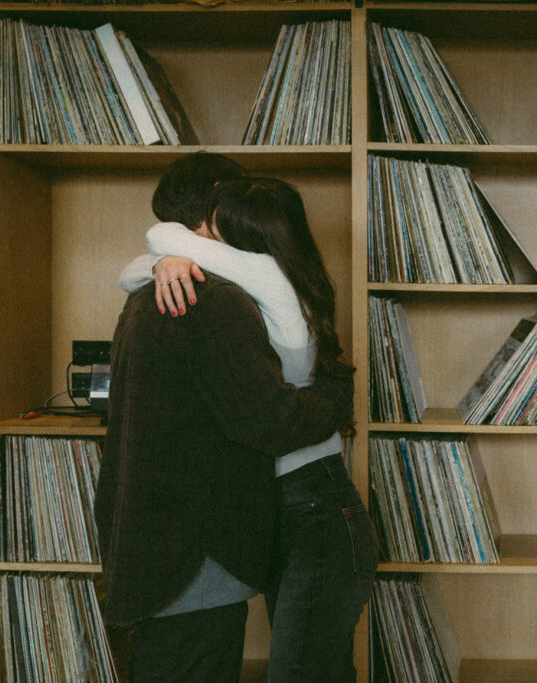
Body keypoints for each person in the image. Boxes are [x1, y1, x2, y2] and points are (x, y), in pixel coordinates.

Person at [95, 153, 356, 683]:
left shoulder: (157, 287)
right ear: (218, 203)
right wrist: (337, 394)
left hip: (157, 540)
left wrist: (158, 258)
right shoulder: (212, 296)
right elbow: (273, 423)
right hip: (195, 550)